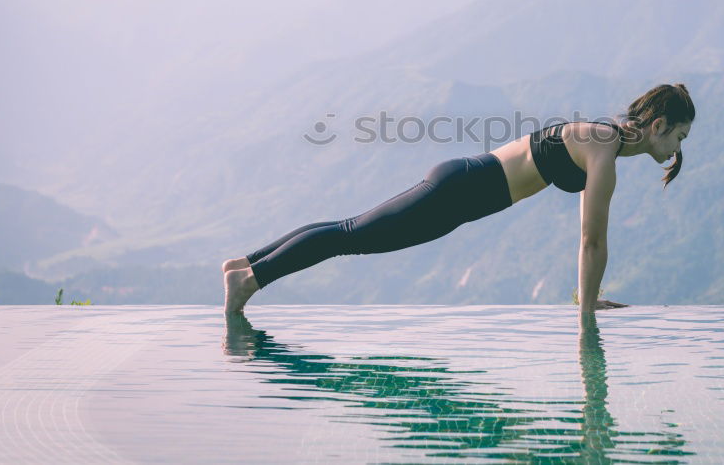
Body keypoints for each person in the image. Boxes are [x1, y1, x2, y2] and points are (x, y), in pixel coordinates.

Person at [223, 83, 695, 314]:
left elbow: (588, 241)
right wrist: (588, 307)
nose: (678, 149)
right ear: (659, 127)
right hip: (459, 192)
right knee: (351, 236)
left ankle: (245, 264)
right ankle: (251, 279)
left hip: (463, 184)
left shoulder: (603, 139)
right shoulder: (605, 149)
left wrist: (585, 295)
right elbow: (592, 241)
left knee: (351, 229)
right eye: (679, 136)